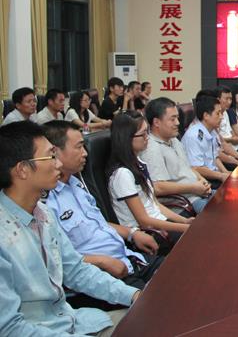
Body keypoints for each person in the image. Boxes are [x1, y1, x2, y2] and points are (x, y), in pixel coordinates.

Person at [0, 121, 140, 336]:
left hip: (74, 322)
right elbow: (10, 328)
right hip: (44, 331)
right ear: (22, 170)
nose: (58, 164)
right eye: (50, 157)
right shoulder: (4, 236)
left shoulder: (44, 214)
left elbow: (76, 270)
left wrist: (133, 295)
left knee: (153, 319)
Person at [43, 121, 163, 291]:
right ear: (54, 152)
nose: (85, 153)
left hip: (127, 257)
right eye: (79, 147)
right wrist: (102, 261)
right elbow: (56, 259)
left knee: (182, 269)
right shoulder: (46, 202)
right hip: (102, 275)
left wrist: (132, 234)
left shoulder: (76, 185)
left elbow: (99, 224)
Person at [107, 111, 192, 251]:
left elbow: (154, 204)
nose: (147, 137)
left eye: (147, 132)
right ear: (126, 138)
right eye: (143, 134)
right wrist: (184, 228)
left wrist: (185, 221)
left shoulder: (138, 163)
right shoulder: (122, 175)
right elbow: (144, 221)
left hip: (159, 223)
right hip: (149, 233)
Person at [140, 98, 213, 214]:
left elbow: (188, 168)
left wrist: (202, 180)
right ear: (156, 122)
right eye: (172, 119)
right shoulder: (151, 148)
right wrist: (193, 187)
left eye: (177, 118)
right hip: (186, 202)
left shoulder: (174, 140)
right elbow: (157, 187)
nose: (178, 123)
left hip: (199, 192)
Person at [182, 96, 232, 185]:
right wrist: (221, 176)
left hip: (215, 175)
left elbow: (215, 157)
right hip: (203, 181)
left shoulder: (211, 130)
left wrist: (225, 172)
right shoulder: (194, 136)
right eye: (218, 113)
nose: (221, 117)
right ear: (206, 116)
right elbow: (197, 168)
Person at [217, 87, 238, 156]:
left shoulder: (226, 112)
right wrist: (232, 139)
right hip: (225, 151)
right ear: (218, 99)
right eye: (226, 99)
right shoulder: (215, 116)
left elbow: (231, 132)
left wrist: (235, 138)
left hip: (235, 148)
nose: (229, 102)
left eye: (230, 99)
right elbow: (216, 139)